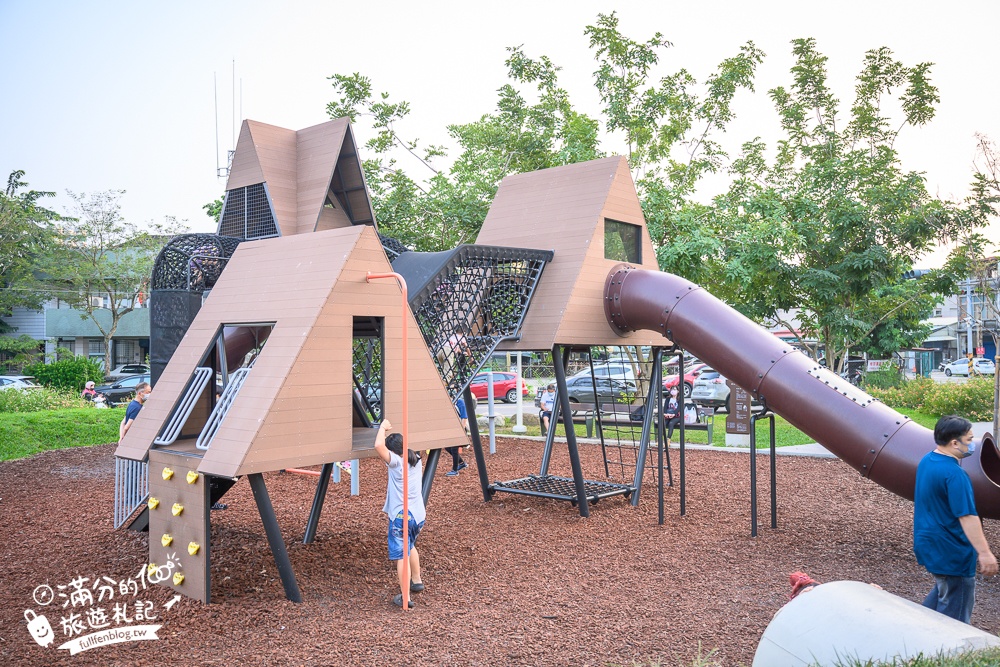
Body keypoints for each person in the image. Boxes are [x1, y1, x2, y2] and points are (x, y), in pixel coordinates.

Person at [913, 414, 998, 623]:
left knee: (942, 595)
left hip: (930, 545)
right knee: (955, 619)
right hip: (952, 552)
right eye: (969, 440)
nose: (972, 444)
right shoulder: (955, 474)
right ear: (954, 443)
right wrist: (985, 553)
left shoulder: (928, 460)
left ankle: (915, 638)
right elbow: (968, 517)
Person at [374, 418, 426, 608]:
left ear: (392, 451)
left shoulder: (396, 462)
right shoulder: (415, 458)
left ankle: (405, 597)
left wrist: (382, 427)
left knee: (401, 555)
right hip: (418, 515)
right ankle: (417, 580)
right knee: (410, 544)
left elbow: (378, 445)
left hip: (402, 517)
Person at [445, 396, 470, 476]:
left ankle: (455, 470)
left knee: (454, 448)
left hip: (460, 428)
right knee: (447, 447)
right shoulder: (448, 402)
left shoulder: (459, 402)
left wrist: (460, 431)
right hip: (453, 429)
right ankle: (462, 463)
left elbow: (464, 417)